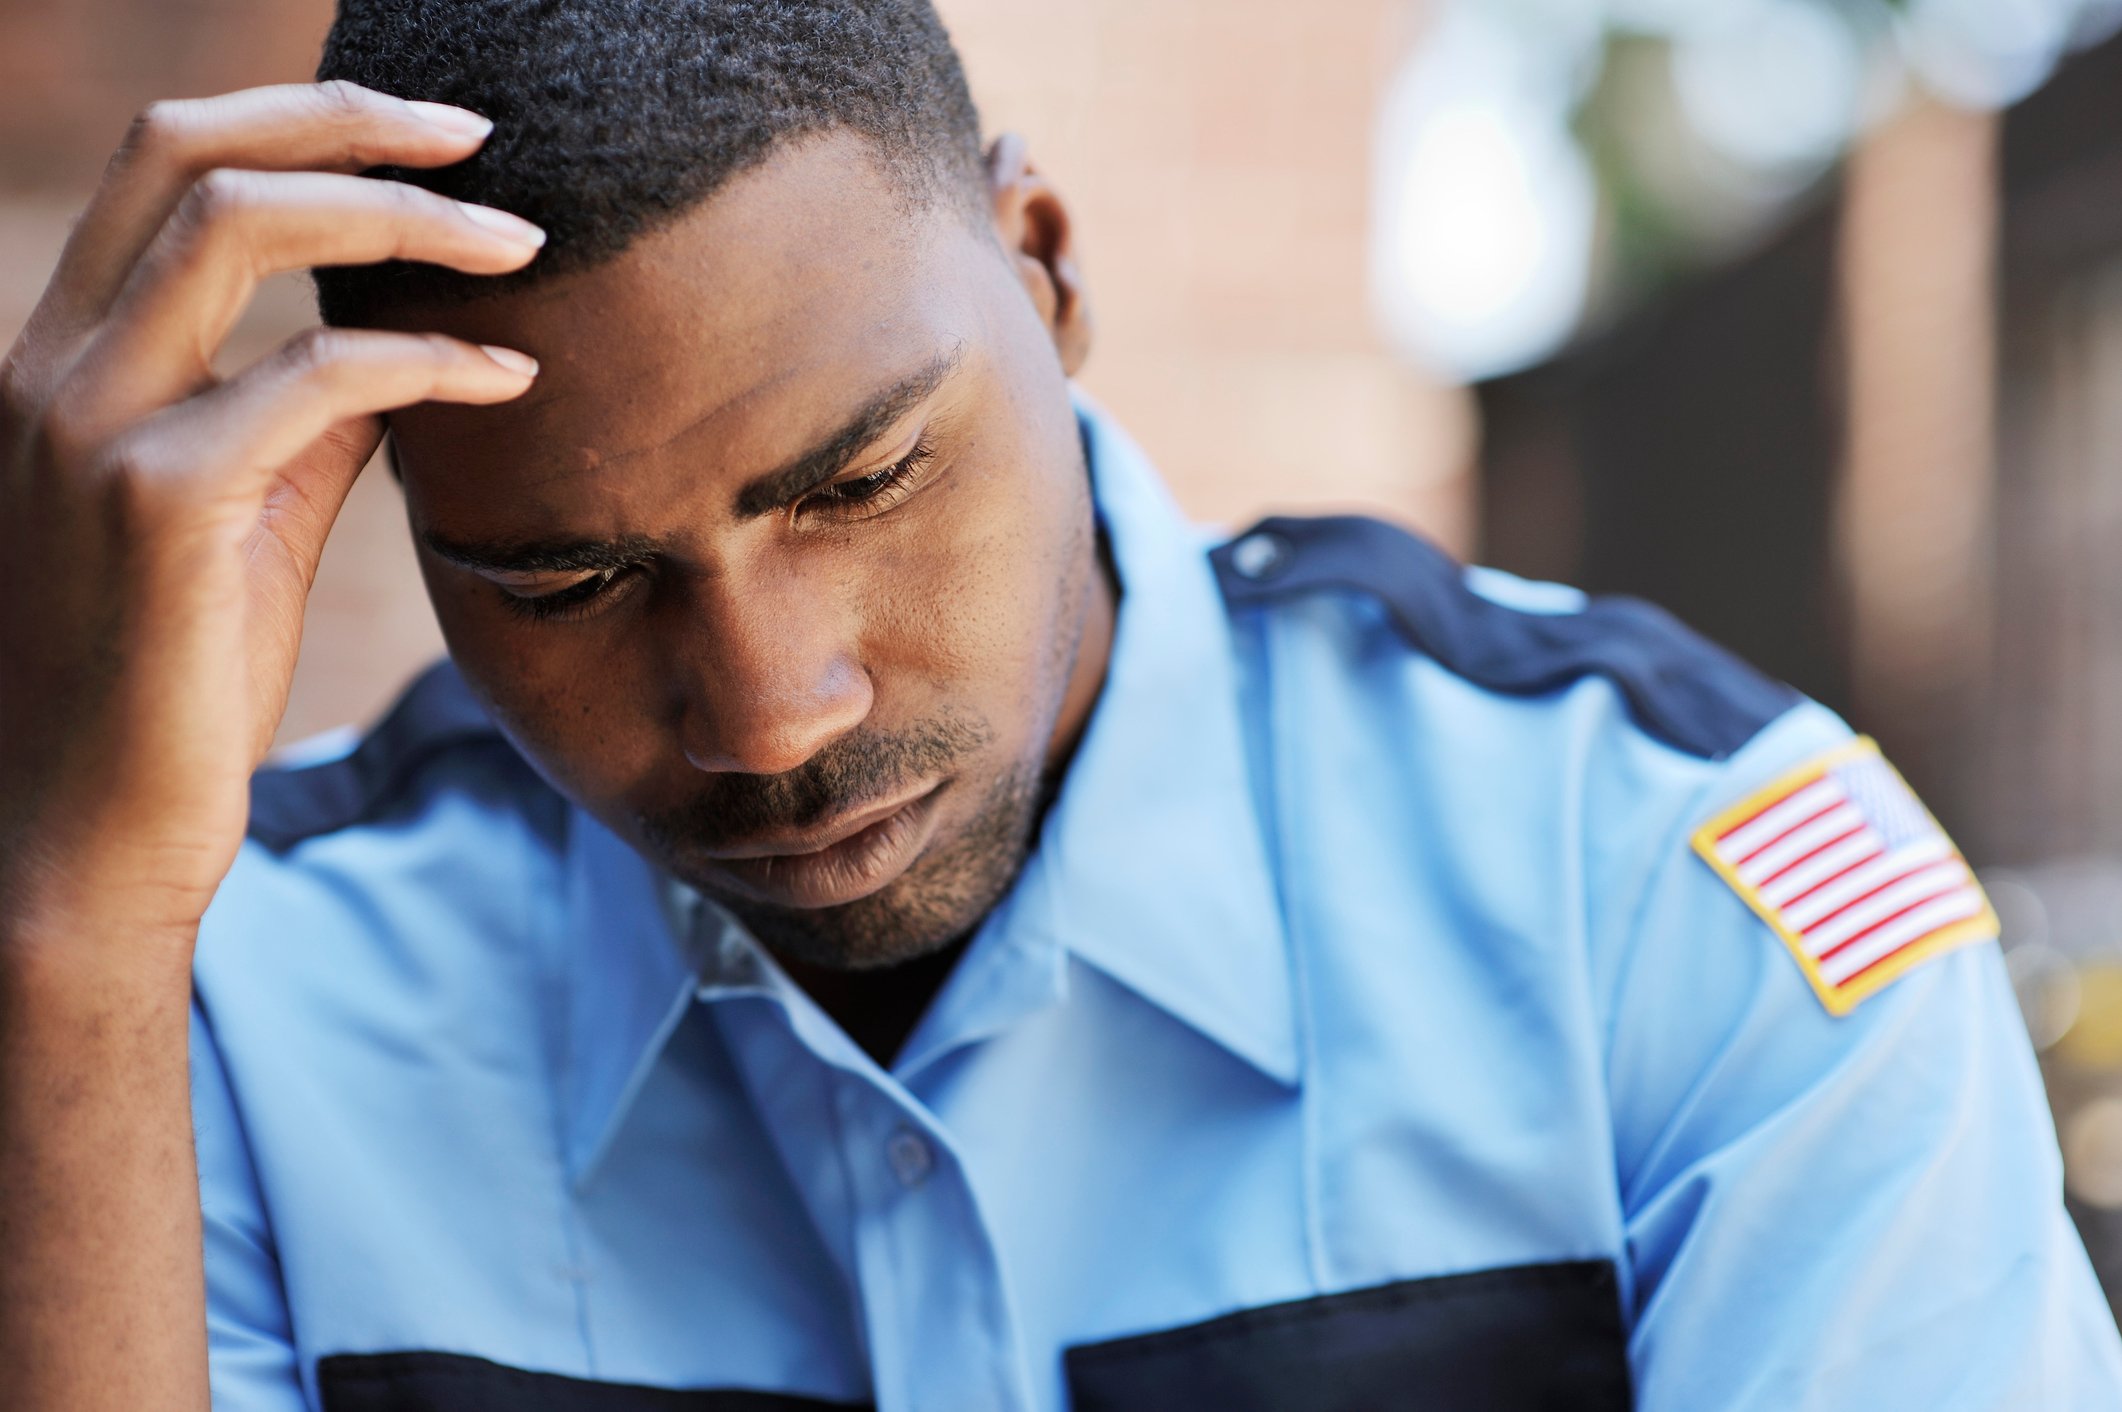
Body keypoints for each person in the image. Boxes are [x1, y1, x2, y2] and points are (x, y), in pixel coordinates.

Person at [1, 1, 2115, 1408]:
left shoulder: (1672, 894)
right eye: (561, 580)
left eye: (861, 478)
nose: (767, 706)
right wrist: (76, 930)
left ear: (1044, 269)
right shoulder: (212, 1019)